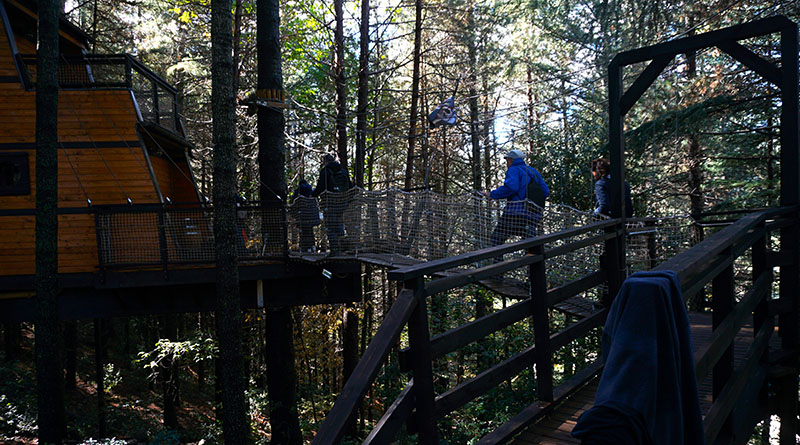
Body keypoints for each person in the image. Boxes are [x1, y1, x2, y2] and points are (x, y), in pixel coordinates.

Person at [482, 149, 549, 252]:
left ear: (510, 160)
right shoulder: (533, 171)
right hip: (533, 215)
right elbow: (545, 191)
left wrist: (492, 195)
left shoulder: (513, 170)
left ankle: (499, 267)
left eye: (507, 161)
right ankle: (533, 266)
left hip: (514, 213)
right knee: (532, 245)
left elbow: (511, 187)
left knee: (496, 239)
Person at [312, 153, 352, 253]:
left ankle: (334, 250)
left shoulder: (325, 171)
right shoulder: (343, 171)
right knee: (338, 222)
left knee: (330, 226)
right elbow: (350, 186)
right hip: (342, 202)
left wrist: (313, 195)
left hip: (329, 202)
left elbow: (320, 187)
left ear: (325, 162)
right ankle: (343, 246)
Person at [289, 179, 321, 252]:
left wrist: (294, 216)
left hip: (302, 217)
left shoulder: (297, 193)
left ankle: (305, 247)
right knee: (310, 231)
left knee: (303, 232)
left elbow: (293, 205)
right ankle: (312, 246)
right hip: (311, 217)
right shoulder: (312, 192)